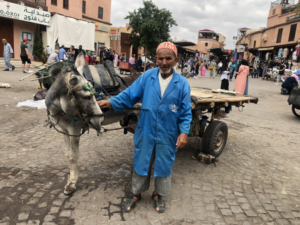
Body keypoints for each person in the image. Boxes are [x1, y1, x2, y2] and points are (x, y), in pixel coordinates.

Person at [97, 42, 192, 214]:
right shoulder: (147, 77)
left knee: (164, 163)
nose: (164, 62)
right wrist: (111, 102)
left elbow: (186, 112)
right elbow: (130, 94)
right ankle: (136, 193)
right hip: (146, 129)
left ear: (176, 60)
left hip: (168, 132)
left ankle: (158, 194)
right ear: (156, 59)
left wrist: (184, 133)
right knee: (142, 161)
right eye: (161, 58)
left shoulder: (182, 84)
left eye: (168, 58)